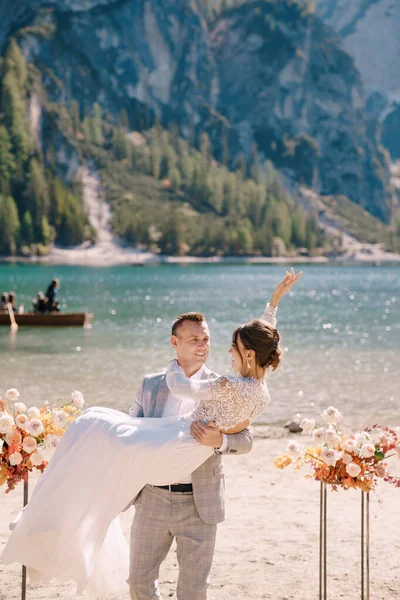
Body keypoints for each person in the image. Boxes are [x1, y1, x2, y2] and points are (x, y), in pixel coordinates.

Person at [1, 269, 303, 600]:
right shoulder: (163, 383)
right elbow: (264, 336)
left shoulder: (223, 383)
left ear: (246, 354)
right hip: (155, 493)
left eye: (210, 340)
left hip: (196, 491)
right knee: (95, 427)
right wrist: (274, 301)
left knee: (193, 589)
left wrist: (221, 441)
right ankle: (50, 517)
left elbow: (241, 436)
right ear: (175, 342)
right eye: (195, 339)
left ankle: (51, 516)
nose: (209, 347)